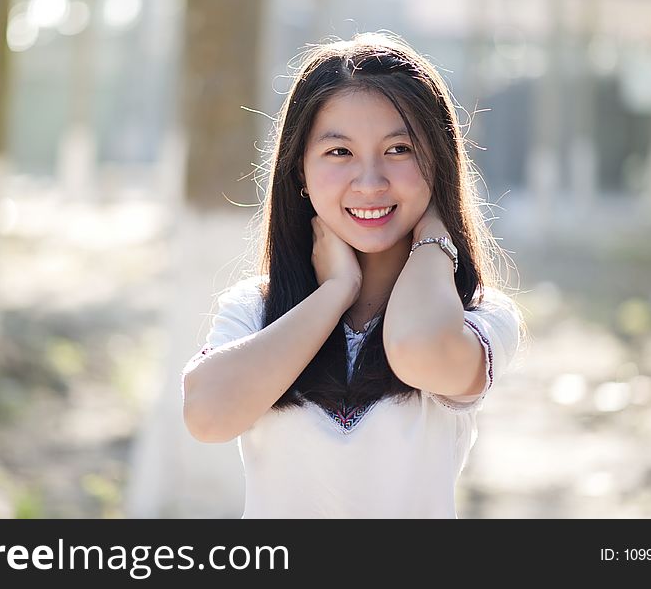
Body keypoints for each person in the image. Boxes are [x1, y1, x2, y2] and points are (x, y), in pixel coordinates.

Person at [181, 32, 525, 519]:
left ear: (438, 165)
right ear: (299, 172)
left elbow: (418, 351)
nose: (370, 181)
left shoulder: (477, 315)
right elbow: (207, 416)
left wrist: (434, 234)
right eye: (339, 152)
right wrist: (336, 293)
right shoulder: (254, 311)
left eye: (400, 149)